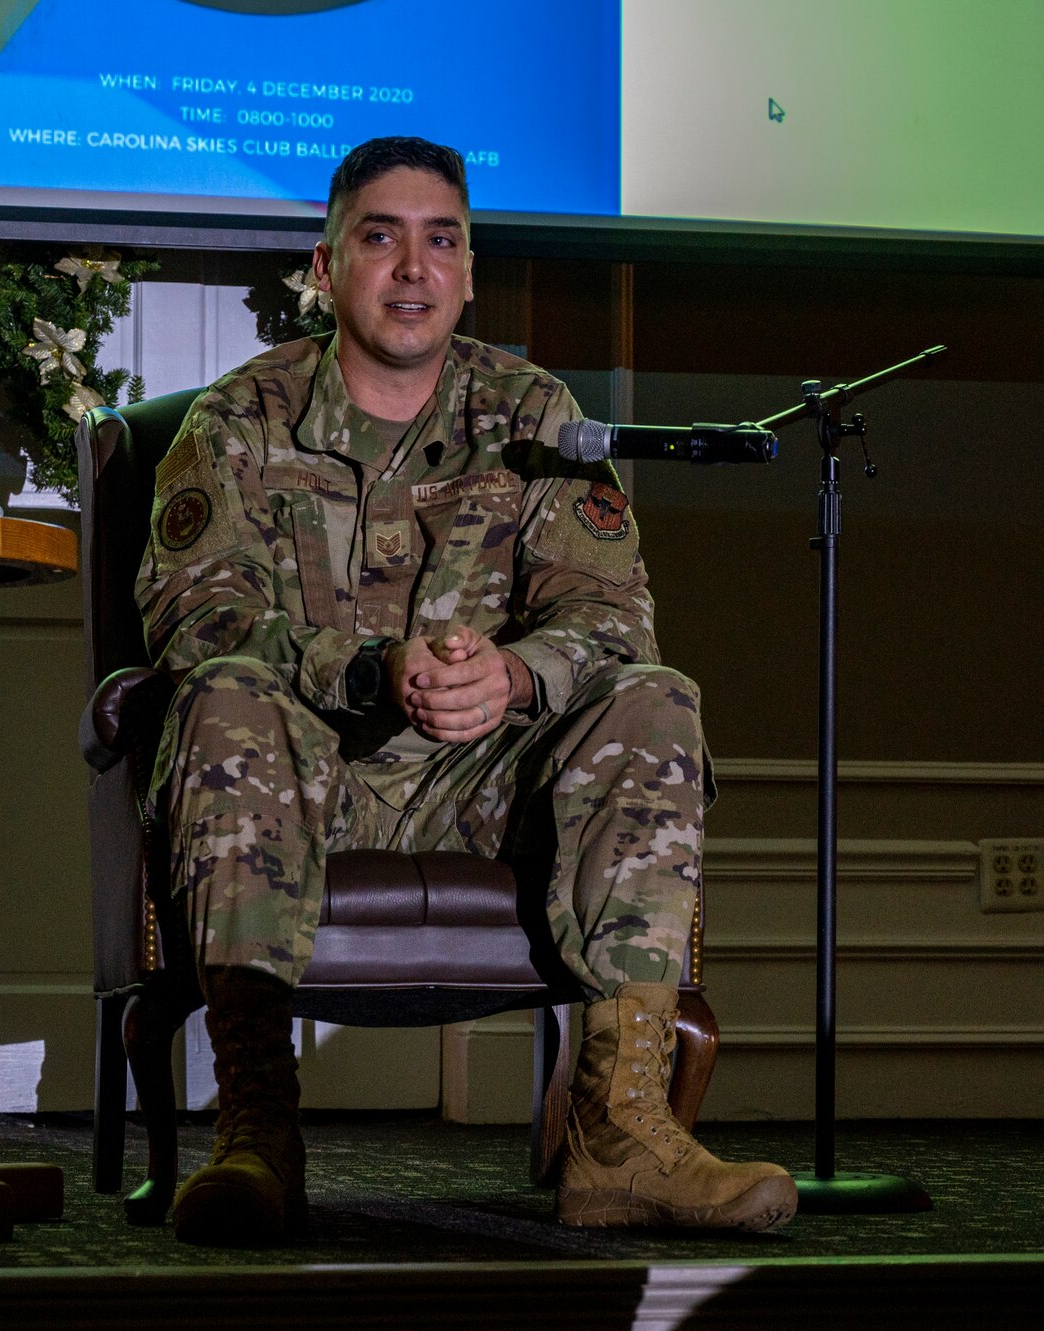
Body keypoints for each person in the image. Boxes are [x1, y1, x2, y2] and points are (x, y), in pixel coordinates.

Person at [136, 136, 797, 1245]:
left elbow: (610, 614)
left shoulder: (533, 413)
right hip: (313, 768)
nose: (411, 268)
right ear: (325, 263)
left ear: (470, 271)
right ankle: (255, 1128)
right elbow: (194, 612)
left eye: (439, 241)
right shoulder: (238, 417)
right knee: (224, 695)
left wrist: (514, 673)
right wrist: (360, 669)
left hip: (484, 779)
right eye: (379, 238)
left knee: (653, 694)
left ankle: (619, 1131)